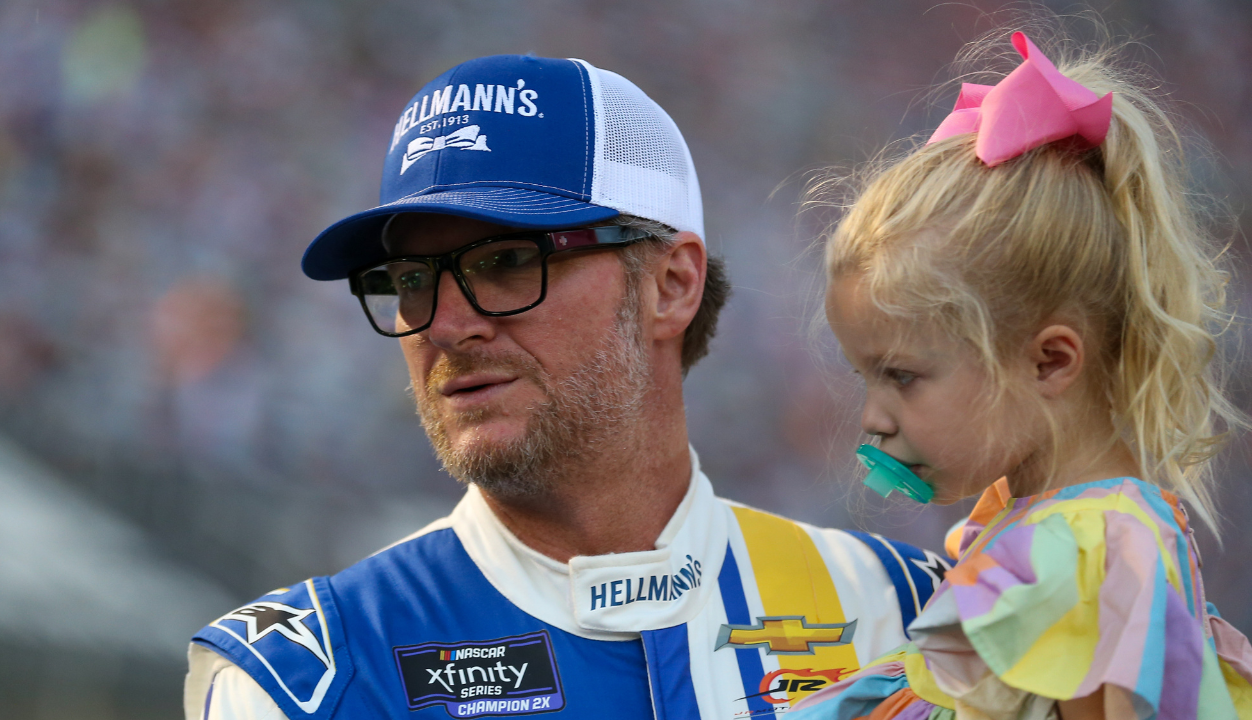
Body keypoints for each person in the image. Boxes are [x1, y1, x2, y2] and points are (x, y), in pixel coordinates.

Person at [183, 54, 951, 720]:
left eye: (507, 261)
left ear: (672, 285)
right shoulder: (305, 681)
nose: (444, 325)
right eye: (411, 280)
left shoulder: (911, 612)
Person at [792, 27, 1252, 720]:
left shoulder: (1102, 549)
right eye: (869, 378)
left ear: (1050, 361)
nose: (874, 420)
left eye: (903, 376)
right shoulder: (1045, 532)